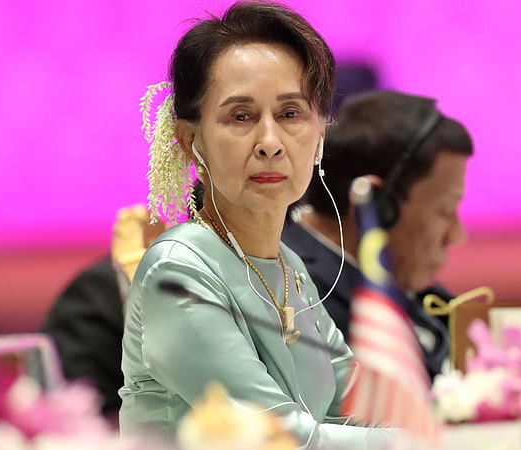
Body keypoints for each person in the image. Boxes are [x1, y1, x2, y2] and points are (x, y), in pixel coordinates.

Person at [119, 2, 394, 447]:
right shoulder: (178, 273)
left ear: (320, 134)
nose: (270, 142)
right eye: (241, 117)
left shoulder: (287, 267)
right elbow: (282, 439)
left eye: (290, 114)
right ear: (191, 140)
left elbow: (366, 404)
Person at [282, 90, 473, 378]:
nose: (457, 236)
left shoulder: (397, 275)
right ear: (372, 201)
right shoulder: (295, 296)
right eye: (445, 211)